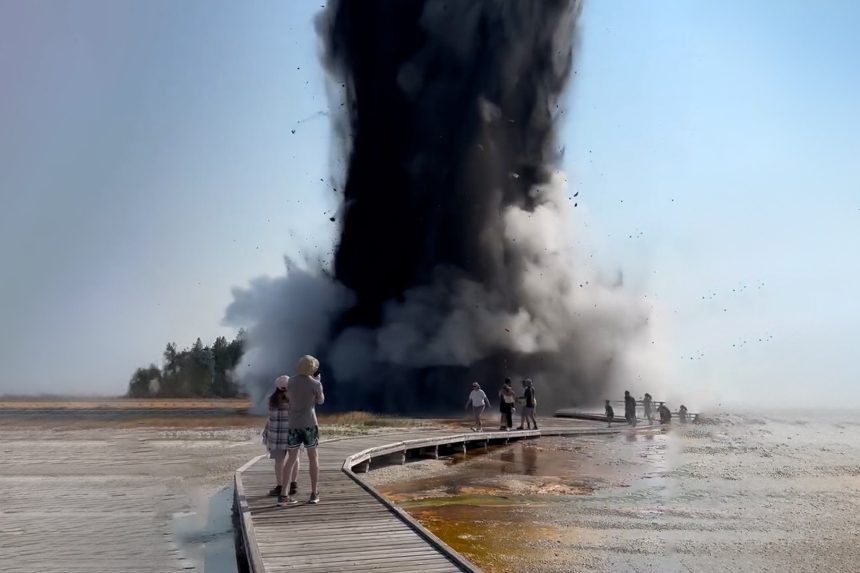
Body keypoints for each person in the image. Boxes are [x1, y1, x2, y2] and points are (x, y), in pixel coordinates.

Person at [278, 355, 325, 506]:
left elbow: (287, 397)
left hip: (293, 424)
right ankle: (314, 493)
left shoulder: (290, 381)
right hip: (309, 424)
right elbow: (321, 400)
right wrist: (318, 383)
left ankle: (284, 495)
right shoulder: (315, 383)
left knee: (291, 459)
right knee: (313, 458)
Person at [262, 375, 300, 497]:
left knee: (279, 461)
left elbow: (270, 419)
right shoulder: (295, 400)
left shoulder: (271, 400)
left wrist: (266, 433)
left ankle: (280, 486)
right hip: (292, 434)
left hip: (276, 436)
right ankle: (293, 485)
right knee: (294, 459)